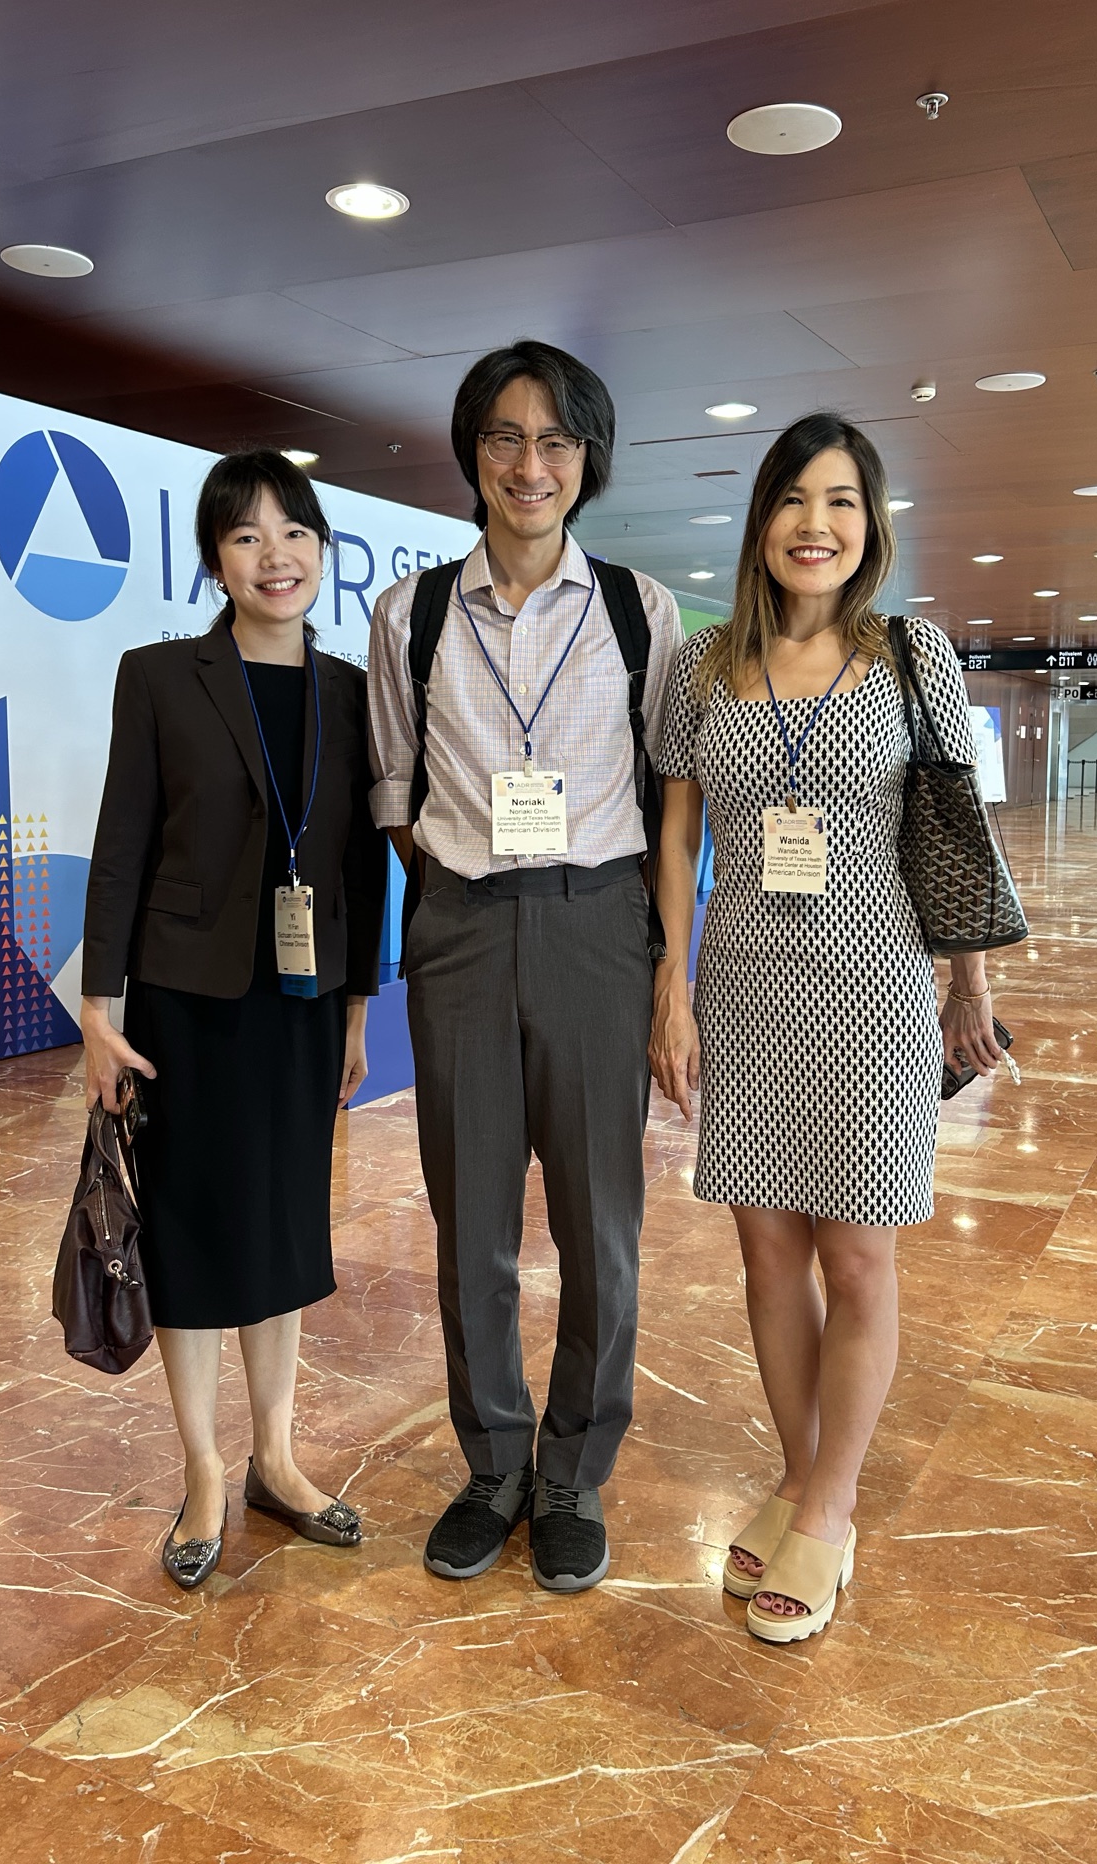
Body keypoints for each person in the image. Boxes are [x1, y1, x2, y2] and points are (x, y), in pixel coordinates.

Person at [648, 412, 1003, 1644]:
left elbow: (952, 827)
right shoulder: (703, 665)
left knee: (856, 1260)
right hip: (746, 987)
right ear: (762, 521)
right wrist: (673, 983)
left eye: (841, 500)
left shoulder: (911, 654)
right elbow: (678, 836)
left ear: (871, 522)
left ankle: (835, 1504)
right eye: (794, 499)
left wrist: (969, 985)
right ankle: (800, 1475)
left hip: (875, 986)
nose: (816, 524)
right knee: (766, 1256)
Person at [368, 340, 681, 1593]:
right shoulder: (413, 613)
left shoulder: (640, 611)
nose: (530, 463)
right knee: (471, 1216)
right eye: (505, 436)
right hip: (462, 925)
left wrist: (665, 968)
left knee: (601, 1219)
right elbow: (397, 790)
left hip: (599, 922)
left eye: (556, 440)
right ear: (473, 453)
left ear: (587, 460)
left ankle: (573, 1470)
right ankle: (494, 1460)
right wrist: (463, 888)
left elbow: (670, 798)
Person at [81, 449, 387, 1591]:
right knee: (196, 1228)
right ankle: (204, 1468)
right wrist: (98, 1008)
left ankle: (278, 1457)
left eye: (295, 531)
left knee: (283, 1225)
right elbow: (121, 842)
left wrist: (358, 1006)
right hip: (188, 999)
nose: (276, 555)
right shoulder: (162, 676)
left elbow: (360, 862)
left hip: (303, 1001)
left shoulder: (349, 691)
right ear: (216, 558)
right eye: (248, 535)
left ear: (322, 551)